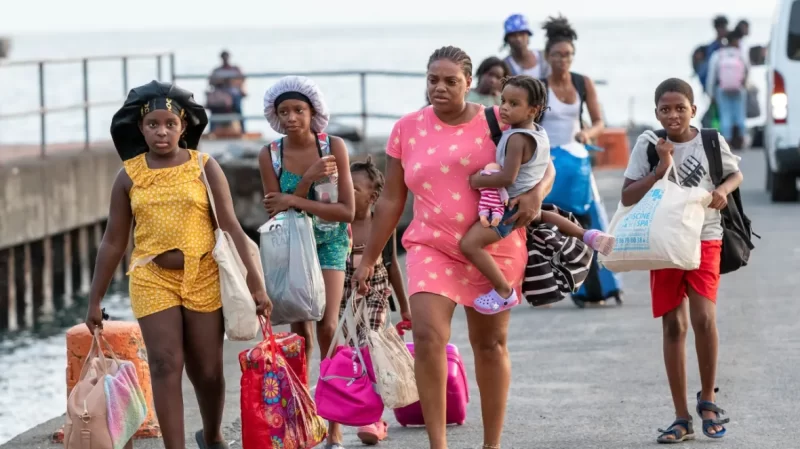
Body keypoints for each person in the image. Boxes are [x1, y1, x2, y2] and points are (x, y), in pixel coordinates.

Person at [352, 46, 556, 449]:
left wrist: (536, 195)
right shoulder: (406, 128)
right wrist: (369, 259)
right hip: (431, 246)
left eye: (450, 81)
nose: (439, 88)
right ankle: (438, 444)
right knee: (428, 337)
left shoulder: (499, 118)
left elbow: (545, 161)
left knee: (490, 344)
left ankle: (491, 444)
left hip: (493, 242)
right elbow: (392, 201)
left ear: (468, 83)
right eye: (432, 80)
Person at [85, 80, 272, 449]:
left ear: (183, 126)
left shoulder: (204, 167)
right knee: (165, 364)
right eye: (153, 124)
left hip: (204, 273)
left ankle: (213, 435)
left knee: (207, 370)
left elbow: (231, 227)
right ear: (141, 128)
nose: (162, 131)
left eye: (170, 123)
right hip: (152, 277)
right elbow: (113, 240)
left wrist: (256, 285)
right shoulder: (129, 176)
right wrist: (95, 300)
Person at [621, 78, 742, 444]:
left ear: (693, 108)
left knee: (704, 318)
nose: (672, 115)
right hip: (664, 239)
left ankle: (708, 400)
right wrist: (660, 167)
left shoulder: (709, 140)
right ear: (656, 111)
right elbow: (627, 196)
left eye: (679, 108)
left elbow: (735, 173)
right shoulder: (648, 144)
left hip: (705, 235)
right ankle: (681, 417)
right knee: (674, 325)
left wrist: (721, 190)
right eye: (664, 109)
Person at [461, 75, 615, 314]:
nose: (504, 108)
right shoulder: (539, 133)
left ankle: (503, 291)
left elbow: (507, 178)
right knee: (543, 215)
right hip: (529, 200)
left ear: (533, 110)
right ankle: (588, 235)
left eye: (514, 104)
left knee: (469, 244)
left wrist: (476, 180)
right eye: (503, 101)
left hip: (509, 207)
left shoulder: (516, 139)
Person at [257, 76, 355, 449]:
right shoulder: (270, 154)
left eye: (299, 110)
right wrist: (308, 183)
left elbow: (346, 211)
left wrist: (293, 198)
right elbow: (273, 209)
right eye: (284, 112)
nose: (292, 117)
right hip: (292, 246)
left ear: (314, 112)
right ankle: (303, 415)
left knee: (328, 325)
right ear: (276, 117)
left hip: (330, 243)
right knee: (300, 335)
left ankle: (335, 423)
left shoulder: (334, 147)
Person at [344, 156, 411, 446]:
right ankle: (364, 412)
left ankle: (373, 418)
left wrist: (405, 307)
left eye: (354, 189)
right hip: (345, 298)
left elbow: (393, 264)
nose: (346, 192)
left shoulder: (382, 224)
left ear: (373, 197)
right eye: (343, 187)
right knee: (352, 355)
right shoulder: (338, 225)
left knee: (370, 349)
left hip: (376, 294)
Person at [540, 15, 605, 146]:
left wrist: (587, 134)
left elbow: (599, 123)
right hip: (547, 157)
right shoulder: (540, 86)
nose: (563, 59)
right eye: (557, 54)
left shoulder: (584, 83)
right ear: (547, 56)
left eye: (567, 54)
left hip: (576, 156)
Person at [705, 29, 749, 149]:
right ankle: (741, 140)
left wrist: (710, 93)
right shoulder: (740, 54)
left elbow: (712, 76)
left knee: (725, 115)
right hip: (739, 88)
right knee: (740, 115)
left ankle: (727, 142)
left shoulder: (718, 55)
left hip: (722, 89)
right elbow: (747, 70)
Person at [502, 14, 550, 78]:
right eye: (513, 35)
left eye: (522, 34)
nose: (518, 39)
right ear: (507, 39)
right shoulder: (504, 66)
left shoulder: (545, 57)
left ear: (528, 36)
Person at [209, 50, 246, 132]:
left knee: (238, 109)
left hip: (234, 95)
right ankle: (211, 131)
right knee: (214, 111)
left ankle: (243, 130)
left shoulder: (235, 69)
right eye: (223, 57)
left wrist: (232, 82)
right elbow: (211, 82)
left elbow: (242, 80)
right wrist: (222, 82)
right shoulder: (217, 70)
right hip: (221, 97)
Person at [697, 15, 729, 92]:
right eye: (724, 27)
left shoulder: (723, 46)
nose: (726, 30)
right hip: (716, 88)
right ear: (717, 29)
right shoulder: (713, 48)